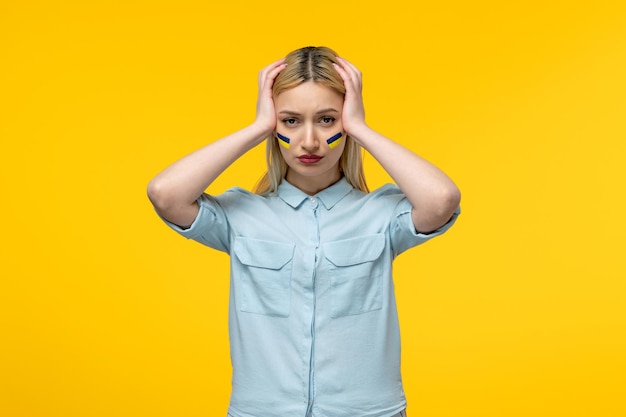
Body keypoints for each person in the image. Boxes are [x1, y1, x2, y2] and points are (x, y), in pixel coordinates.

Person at [147, 46, 461, 417]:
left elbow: (442, 199)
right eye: (291, 121)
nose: (309, 141)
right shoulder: (242, 215)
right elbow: (165, 194)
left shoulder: (380, 214)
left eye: (327, 120)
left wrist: (360, 129)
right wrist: (257, 128)